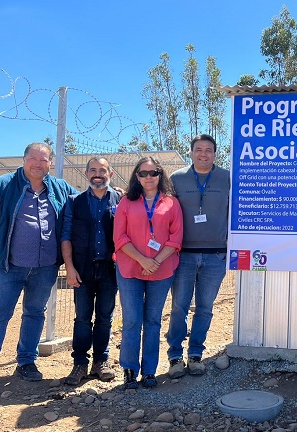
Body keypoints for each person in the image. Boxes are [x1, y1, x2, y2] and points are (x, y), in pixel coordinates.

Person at [0, 142, 76, 395]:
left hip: (45, 268)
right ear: (24, 159)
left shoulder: (59, 188)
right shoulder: (2, 185)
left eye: (43, 160)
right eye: (33, 159)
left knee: (35, 313)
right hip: (8, 266)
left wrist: (113, 191)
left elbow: (83, 200)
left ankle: (26, 362)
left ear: (50, 162)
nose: (38, 164)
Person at [113, 157, 183, 389]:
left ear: (160, 175)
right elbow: (120, 238)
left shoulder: (171, 203)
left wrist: (155, 262)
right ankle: (130, 369)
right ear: (137, 177)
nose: (149, 177)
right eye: (143, 173)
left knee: (153, 321)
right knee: (132, 320)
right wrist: (143, 260)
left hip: (161, 270)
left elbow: (176, 238)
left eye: (153, 173)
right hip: (130, 268)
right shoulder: (126, 202)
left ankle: (150, 370)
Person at [166, 134, 230, 378]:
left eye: (209, 150)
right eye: (199, 149)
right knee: (179, 307)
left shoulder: (227, 177)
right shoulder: (177, 179)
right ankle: (174, 357)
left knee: (204, 308)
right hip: (183, 255)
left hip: (216, 255)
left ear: (215, 153)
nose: (203, 154)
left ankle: (195, 355)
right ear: (191, 152)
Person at [61, 157, 121, 385]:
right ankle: (79, 364)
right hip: (82, 269)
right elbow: (66, 236)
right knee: (82, 319)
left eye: (103, 170)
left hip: (110, 270)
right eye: (93, 170)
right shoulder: (74, 202)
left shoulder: (120, 199)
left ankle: (100, 361)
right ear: (86, 174)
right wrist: (69, 267)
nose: (98, 174)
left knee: (105, 318)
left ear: (110, 174)